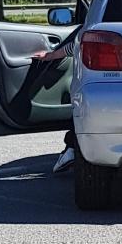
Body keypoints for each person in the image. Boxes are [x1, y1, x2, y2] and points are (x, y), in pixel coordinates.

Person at [32, 41, 79, 172]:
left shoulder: (103, 29)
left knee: (83, 115)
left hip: (107, 90)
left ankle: (73, 148)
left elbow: (76, 44)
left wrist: (50, 56)